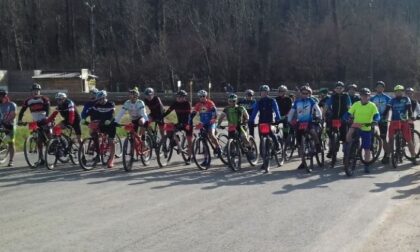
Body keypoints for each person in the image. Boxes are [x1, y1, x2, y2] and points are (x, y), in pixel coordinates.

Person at [344, 88, 380, 173]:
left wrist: (375, 120)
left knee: (367, 149)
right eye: (363, 95)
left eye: (367, 95)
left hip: (366, 126)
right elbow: (349, 113)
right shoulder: (356, 104)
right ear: (360, 96)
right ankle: (348, 149)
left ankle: (366, 165)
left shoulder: (372, 105)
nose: (365, 97)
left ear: (369, 96)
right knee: (349, 133)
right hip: (357, 124)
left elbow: (377, 115)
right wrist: (345, 118)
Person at [288, 86, 323, 170]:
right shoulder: (297, 102)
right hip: (300, 122)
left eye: (306, 93)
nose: (305, 95)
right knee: (299, 138)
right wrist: (289, 120)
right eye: (303, 93)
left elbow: (317, 109)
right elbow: (292, 112)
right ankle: (303, 157)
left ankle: (318, 145)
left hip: (309, 122)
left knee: (312, 132)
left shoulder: (311, 101)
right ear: (300, 93)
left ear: (309, 94)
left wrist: (319, 117)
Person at [250, 84, 281, 172]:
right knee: (262, 139)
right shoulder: (258, 102)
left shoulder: (272, 100)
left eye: (265, 92)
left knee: (271, 133)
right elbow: (255, 111)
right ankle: (265, 160)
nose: (263, 93)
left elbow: (276, 110)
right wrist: (251, 120)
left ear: (267, 92)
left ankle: (277, 145)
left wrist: (278, 118)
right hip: (261, 122)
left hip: (270, 121)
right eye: (262, 92)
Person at [17, 83, 51, 166]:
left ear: (39, 91)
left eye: (37, 91)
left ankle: (54, 147)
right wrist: (19, 120)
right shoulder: (28, 101)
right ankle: (41, 159)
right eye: (34, 91)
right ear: (31, 92)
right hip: (35, 121)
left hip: (44, 120)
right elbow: (22, 111)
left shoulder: (44, 98)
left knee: (49, 137)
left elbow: (48, 109)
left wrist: (46, 117)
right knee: (38, 141)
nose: (35, 92)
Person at [384, 85, 417, 165]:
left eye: (401, 91)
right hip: (394, 121)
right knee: (391, 139)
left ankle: (413, 157)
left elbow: (409, 109)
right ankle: (388, 155)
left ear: (402, 92)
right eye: (397, 91)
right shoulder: (392, 100)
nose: (399, 92)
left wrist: (411, 116)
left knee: (409, 140)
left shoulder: (406, 99)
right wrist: (383, 117)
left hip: (404, 121)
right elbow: (387, 110)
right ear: (395, 92)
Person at [189, 90, 220, 167]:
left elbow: (214, 111)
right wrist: (189, 122)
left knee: (211, 134)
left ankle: (218, 148)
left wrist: (214, 118)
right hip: (203, 124)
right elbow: (193, 113)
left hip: (211, 122)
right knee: (204, 142)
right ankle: (206, 159)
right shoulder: (198, 105)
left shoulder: (210, 103)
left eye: (203, 96)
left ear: (206, 96)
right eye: (200, 96)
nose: (202, 98)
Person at [87, 90, 117, 168]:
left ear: (104, 98)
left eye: (101, 99)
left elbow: (113, 114)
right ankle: (98, 153)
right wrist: (84, 118)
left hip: (110, 125)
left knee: (111, 141)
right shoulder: (97, 105)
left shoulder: (110, 103)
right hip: (101, 124)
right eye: (98, 99)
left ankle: (111, 158)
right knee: (94, 134)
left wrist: (110, 120)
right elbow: (91, 112)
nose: (99, 101)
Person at [163, 90, 192, 164]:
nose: (178, 98)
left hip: (187, 123)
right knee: (170, 131)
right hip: (179, 122)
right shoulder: (175, 103)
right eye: (177, 97)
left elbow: (188, 116)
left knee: (189, 140)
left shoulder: (187, 104)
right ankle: (176, 142)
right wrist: (162, 117)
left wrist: (185, 124)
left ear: (184, 97)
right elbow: (168, 111)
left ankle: (189, 158)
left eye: (180, 97)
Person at [324, 81, 352, 158]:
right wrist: (323, 115)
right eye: (337, 88)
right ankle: (331, 149)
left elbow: (349, 107)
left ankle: (345, 152)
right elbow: (326, 106)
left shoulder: (346, 96)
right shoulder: (332, 97)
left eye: (341, 88)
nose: (339, 89)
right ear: (334, 89)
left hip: (344, 118)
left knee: (345, 136)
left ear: (343, 89)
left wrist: (350, 116)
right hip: (334, 118)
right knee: (331, 135)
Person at [370, 81, 391, 164]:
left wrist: (387, 118)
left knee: (383, 138)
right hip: (374, 119)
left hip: (383, 120)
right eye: (378, 86)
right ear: (376, 88)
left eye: (381, 87)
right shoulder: (372, 98)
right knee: (371, 135)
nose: (379, 88)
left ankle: (387, 154)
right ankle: (372, 149)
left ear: (383, 88)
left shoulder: (388, 98)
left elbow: (389, 110)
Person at [0, 89, 17, 166]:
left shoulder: (11, 104)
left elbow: (13, 115)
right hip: (1, 124)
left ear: (3, 96)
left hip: (10, 125)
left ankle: (11, 160)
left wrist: (6, 122)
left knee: (11, 142)